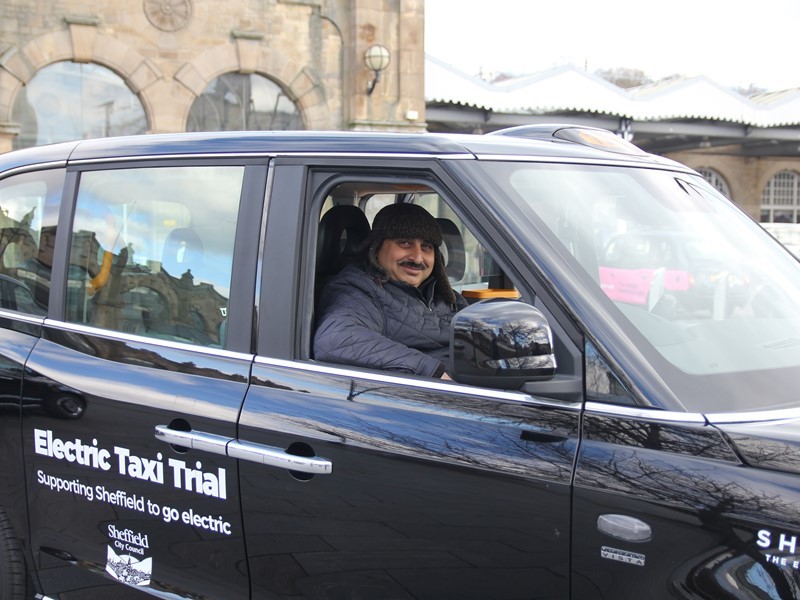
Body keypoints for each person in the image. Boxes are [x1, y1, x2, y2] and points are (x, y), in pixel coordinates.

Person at [313, 202, 468, 379]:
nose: (417, 258)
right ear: (377, 246)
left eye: (426, 247)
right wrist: (433, 372)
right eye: (405, 243)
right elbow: (336, 339)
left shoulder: (443, 293)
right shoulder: (357, 289)